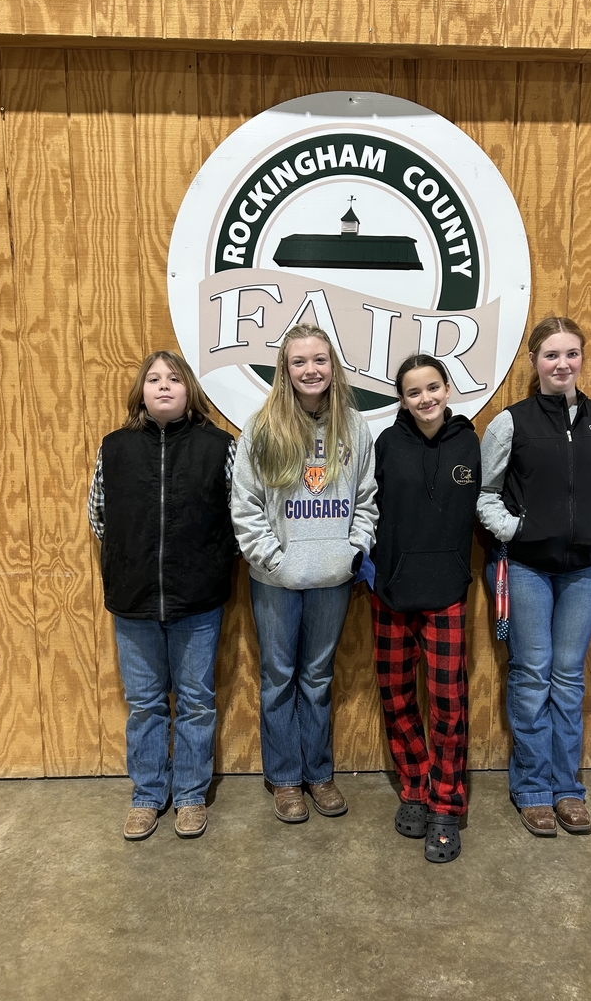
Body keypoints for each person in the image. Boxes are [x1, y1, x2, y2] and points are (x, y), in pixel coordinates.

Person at [478, 317, 591, 837]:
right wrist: (515, 531)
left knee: (568, 680)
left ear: (582, 359)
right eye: (551, 355)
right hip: (527, 569)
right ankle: (533, 790)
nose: (562, 364)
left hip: (588, 571)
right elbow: (486, 494)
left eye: (571, 354)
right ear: (534, 362)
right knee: (530, 676)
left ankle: (568, 789)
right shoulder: (511, 423)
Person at [230, 323, 377, 823]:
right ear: (285, 370)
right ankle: (286, 778)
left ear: (332, 367)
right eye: (299, 362)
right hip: (275, 580)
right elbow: (246, 505)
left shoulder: (354, 429)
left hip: (332, 579)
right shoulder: (263, 427)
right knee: (278, 679)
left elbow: (367, 501)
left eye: (319, 360)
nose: (310, 370)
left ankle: (319, 773)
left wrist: (351, 551)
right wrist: (272, 558)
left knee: (317, 679)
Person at [88, 351, 236, 841]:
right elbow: (99, 518)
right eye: (154, 379)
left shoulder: (219, 446)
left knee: (195, 699)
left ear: (189, 389)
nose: (164, 386)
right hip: (133, 599)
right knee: (146, 702)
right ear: (141, 392)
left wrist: (210, 563)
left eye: (174, 378)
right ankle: (148, 794)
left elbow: (238, 520)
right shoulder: (115, 448)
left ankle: (190, 794)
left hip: (198, 598)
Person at [371, 354, 480, 863]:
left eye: (432, 387)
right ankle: (414, 786)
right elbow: (369, 510)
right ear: (402, 399)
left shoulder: (469, 442)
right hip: (393, 593)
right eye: (413, 392)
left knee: (449, 706)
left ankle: (444, 805)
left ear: (448, 387)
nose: (425, 399)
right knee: (396, 698)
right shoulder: (387, 445)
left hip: (447, 595)